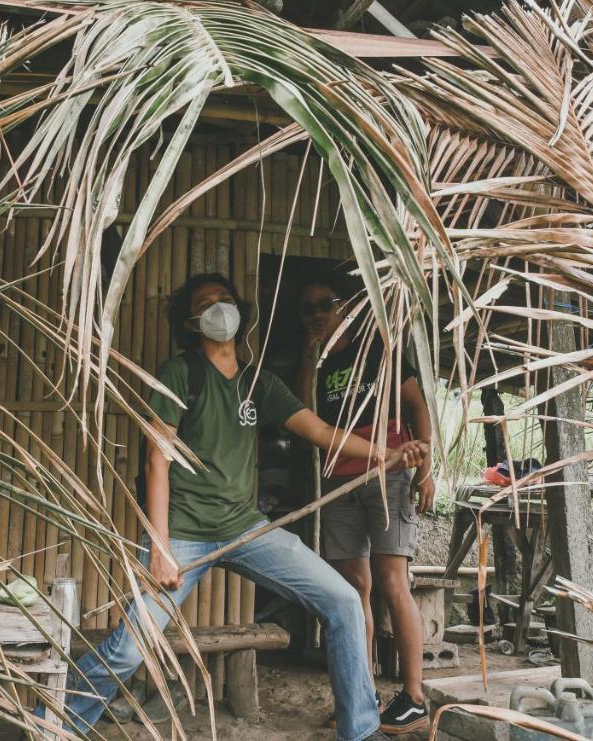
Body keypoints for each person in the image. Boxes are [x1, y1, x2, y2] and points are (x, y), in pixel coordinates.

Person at [45, 273, 426, 741]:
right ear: (190, 322)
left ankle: (362, 732)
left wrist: (386, 455)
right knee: (130, 648)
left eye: (225, 300)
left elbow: (324, 434)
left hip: (246, 529)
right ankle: (50, 726)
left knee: (345, 601)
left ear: (240, 312)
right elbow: (155, 461)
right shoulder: (179, 373)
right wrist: (161, 547)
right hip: (183, 533)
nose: (219, 309)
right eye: (206, 303)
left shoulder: (257, 382)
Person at [297, 273, 435, 735]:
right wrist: (309, 357)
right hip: (339, 480)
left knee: (394, 583)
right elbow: (306, 413)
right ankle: (364, 690)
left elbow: (418, 404)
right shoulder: (317, 362)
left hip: (388, 475)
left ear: (346, 309)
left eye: (325, 304)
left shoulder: (380, 353)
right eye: (308, 310)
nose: (318, 315)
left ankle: (414, 695)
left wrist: (426, 467)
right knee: (353, 590)